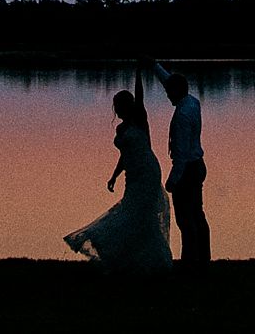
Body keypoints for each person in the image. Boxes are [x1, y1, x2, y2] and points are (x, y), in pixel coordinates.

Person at [63, 90, 171, 270]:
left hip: (147, 171)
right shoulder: (120, 129)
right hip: (133, 174)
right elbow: (125, 155)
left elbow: (140, 97)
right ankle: (133, 259)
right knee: (133, 211)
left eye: (119, 106)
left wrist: (139, 67)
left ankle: (150, 260)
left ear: (128, 106)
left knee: (141, 212)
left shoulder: (140, 121)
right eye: (115, 106)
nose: (117, 109)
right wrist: (114, 176)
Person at [151, 59, 209, 268]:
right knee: (197, 214)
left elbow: (181, 155)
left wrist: (172, 180)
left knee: (186, 219)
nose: (167, 95)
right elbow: (170, 82)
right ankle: (202, 258)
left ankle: (191, 261)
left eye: (169, 92)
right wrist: (154, 65)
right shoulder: (192, 101)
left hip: (188, 170)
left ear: (176, 91)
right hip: (197, 165)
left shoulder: (183, 115)